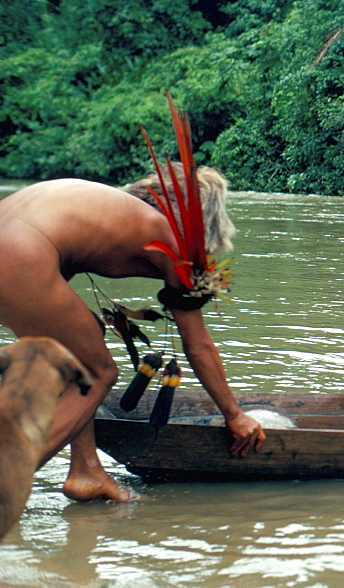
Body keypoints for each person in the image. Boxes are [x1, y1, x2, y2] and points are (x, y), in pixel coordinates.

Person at [0, 100, 265, 502]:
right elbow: (199, 344)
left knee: (84, 339)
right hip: (20, 250)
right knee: (98, 371)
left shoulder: (105, 208)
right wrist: (234, 413)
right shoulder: (176, 242)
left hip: (12, 239)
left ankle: (86, 471)